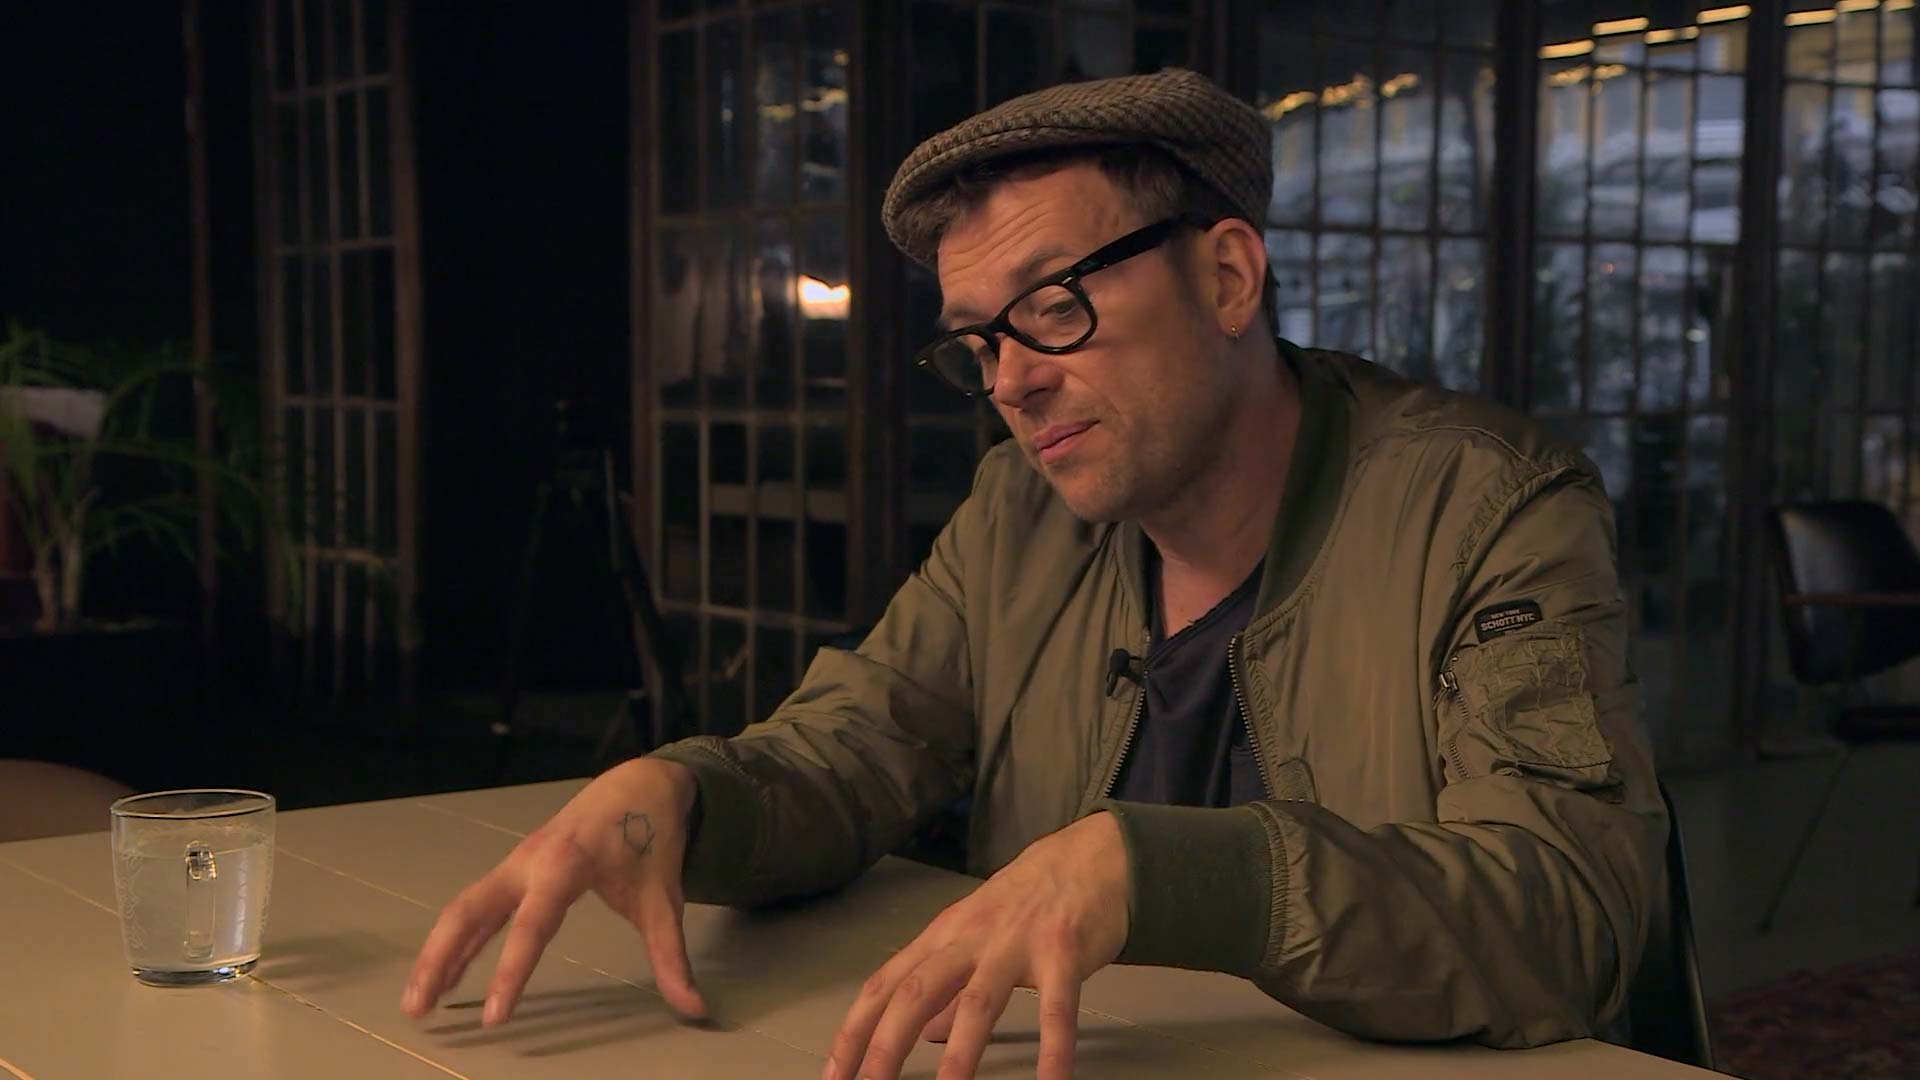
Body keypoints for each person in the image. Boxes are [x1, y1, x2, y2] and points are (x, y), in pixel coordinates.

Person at [402, 69, 1667, 1080]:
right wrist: (681, 797)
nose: (1010, 381)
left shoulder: (1486, 504)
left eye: (1053, 305)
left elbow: (1570, 916)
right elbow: (855, 750)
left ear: (1227, 275)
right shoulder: (1024, 511)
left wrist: (1155, 871)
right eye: (977, 343)